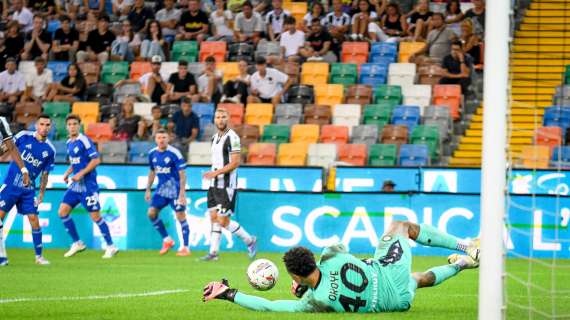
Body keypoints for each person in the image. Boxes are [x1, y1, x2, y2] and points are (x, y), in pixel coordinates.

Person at [203, 220, 480, 312]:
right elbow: (340, 247)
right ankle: (465, 248)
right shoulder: (330, 256)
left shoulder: (314, 301)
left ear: (295, 276)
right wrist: (306, 278)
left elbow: (270, 306)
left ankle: (464, 263)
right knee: (402, 227)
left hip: (394, 302)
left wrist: (230, 294)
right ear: (312, 260)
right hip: (386, 272)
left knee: (417, 279)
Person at [57, 114, 119, 259]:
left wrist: (81, 173)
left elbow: (96, 160)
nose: (72, 126)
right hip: (75, 186)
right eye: (70, 124)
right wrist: (68, 173)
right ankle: (77, 243)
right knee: (62, 211)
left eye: (75, 124)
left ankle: (111, 246)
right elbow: (76, 162)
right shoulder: (69, 143)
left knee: (96, 216)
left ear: (79, 126)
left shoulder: (84, 140)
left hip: (88, 186)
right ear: (66, 127)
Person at [200, 108, 257, 261]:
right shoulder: (214, 138)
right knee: (214, 218)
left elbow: (235, 163)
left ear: (228, 119)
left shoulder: (233, 138)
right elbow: (218, 161)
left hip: (226, 185)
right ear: (214, 120)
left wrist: (215, 173)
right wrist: (212, 173)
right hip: (213, 184)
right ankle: (213, 253)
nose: (220, 120)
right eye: (217, 117)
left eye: (223, 117)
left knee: (223, 221)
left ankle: (250, 240)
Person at [0, 114, 55, 266]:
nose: (44, 127)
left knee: (34, 220)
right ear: (36, 125)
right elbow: (6, 147)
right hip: (11, 185)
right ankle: (1, 256)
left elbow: (45, 174)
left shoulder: (50, 150)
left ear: (50, 127)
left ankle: (39, 257)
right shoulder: (23, 136)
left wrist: (42, 194)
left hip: (28, 189)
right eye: (42, 124)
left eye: (47, 125)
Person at [145, 128, 190, 256]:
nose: (161, 140)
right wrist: (148, 189)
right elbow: (152, 171)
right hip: (161, 190)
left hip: (175, 190)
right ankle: (167, 240)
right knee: (151, 213)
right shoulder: (152, 154)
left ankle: (186, 247)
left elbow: (182, 175)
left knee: (180, 215)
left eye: (164, 137)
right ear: (155, 139)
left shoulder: (175, 153)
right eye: (159, 138)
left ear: (168, 139)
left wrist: (182, 194)